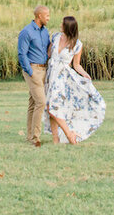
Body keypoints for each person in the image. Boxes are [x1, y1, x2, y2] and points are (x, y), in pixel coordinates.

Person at [45, 15, 105, 144]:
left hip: (62, 78)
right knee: (50, 107)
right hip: (50, 75)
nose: (60, 25)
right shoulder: (55, 37)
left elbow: (76, 65)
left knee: (53, 107)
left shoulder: (77, 44)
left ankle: (69, 135)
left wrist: (85, 75)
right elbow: (49, 54)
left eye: (62, 24)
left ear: (68, 27)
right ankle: (55, 139)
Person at [17, 5, 51, 147]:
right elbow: (22, 53)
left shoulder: (45, 32)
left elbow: (48, 48)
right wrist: (30, 72)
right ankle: (35, 137)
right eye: (47, 15)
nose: (49, 18)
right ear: (39, 16)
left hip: (44, 69)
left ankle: (30, 135)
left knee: (33, 103)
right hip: (33, 70)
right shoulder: (26, 32)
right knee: (41, 102)